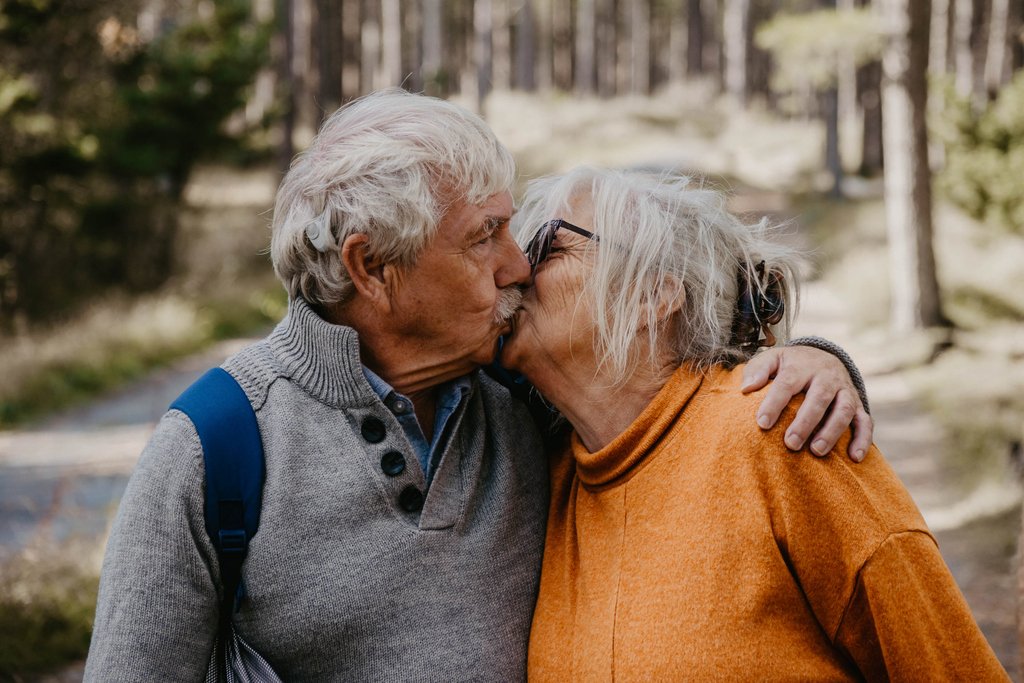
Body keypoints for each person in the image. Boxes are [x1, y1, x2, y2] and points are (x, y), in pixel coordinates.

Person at [85, 90, 871, 681]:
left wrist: (820, 359)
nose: (517, 265)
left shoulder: (527, 400)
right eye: (482, 237)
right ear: (371, 268)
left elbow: (674, 371)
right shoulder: (213, 449)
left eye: (511, 229)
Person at [503, 166, 1009, 681]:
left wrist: (821, 356)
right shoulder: (541, 463)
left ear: (651, 297)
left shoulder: (783, 432)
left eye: (547, 245)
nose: (516, 270)